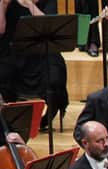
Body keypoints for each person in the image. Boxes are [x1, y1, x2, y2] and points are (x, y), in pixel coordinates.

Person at [0, 0, 69, 129]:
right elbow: (1, 30)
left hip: (43, 51)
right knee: (4, 75)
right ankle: (9, 117)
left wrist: (29, 4)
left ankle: (46, 120)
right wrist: (3, 5)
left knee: (55, 78)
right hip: (14, 51)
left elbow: (49, 27)